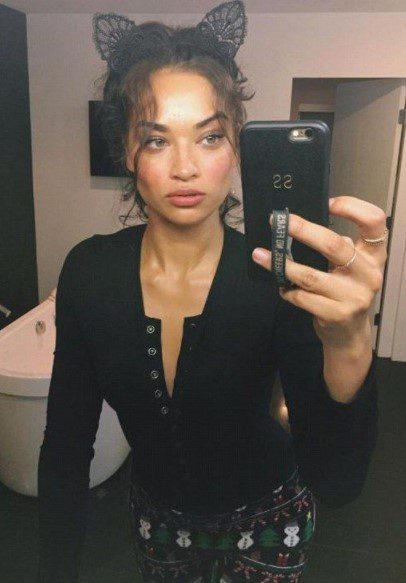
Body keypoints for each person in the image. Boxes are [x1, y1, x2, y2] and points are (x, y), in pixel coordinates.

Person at [38, 2, 387, 582]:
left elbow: (337, 482)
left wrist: (351, 339)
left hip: (271, 523)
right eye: (157, 141)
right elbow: (66, 447)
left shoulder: (274, 275)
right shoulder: (89, 274)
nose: (185, 167)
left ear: (236, 150)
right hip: (155, 528)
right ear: (127, 151)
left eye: (209, 137)